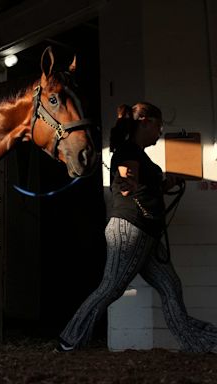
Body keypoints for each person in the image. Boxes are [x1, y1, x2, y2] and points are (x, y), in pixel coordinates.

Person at [57, 102, 217, 353]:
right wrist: (128, 183)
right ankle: (69, 340)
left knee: (170, 286)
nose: (161, 131)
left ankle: (199, 342)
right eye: (159, 125)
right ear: (145, 121)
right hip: (131, 230)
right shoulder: (128, 151)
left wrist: (163, 184)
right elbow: (126, 183)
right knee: (111, 286)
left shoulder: (136, 153)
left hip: (146, 233)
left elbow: (138, 186)